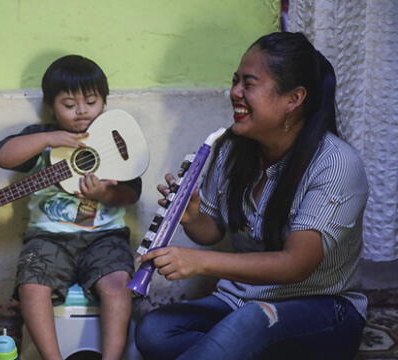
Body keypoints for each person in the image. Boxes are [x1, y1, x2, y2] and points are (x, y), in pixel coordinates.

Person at [135, 32, 369, 360]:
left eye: (249, 84)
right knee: (154, 331)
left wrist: (199, 262)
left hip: (323, 311)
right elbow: (211, 231)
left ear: (293, 99)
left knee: (249, 323)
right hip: (240, 301)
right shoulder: (232, 148)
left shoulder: (336, 164)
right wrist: (191, 215)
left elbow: (294, 265)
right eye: (235, 81)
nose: (234, 93)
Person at [0, 55, 141, 360]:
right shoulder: (43, 142)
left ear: (104, 101)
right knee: (32, 286)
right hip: (48, 238)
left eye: (90, 101)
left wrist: (105, 194)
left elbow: (131, 193)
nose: (81, 111)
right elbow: (3, 156)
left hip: (105, 236)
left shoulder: (115, 142)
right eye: (69, 104)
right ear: (51, 105)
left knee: (118, 285)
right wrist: (48, 137)